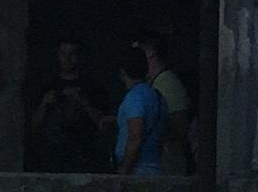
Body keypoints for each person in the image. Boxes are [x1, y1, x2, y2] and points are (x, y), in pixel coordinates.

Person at [30, 40, 108, 173]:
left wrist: (85, 104)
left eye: (72, 54)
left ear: (79, 57)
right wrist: (44, 104)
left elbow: (104, 125)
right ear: (57, 55)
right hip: (52, 158)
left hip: (84, 157)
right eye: (63, 54)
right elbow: (33, 126)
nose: (67, 59)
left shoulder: (93, 87)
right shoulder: (48, 87)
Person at [137, 31, 195, 175]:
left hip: (167, 169)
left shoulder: (168, 84)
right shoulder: (153, 83)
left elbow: (181, 127)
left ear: (150, 53)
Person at [112, 46, 166, 177]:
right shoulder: (157, 96)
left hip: (138, 170)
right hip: (156, 166)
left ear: (122, 71)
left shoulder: (134, 97)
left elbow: (135, 136)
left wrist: (124, 170)